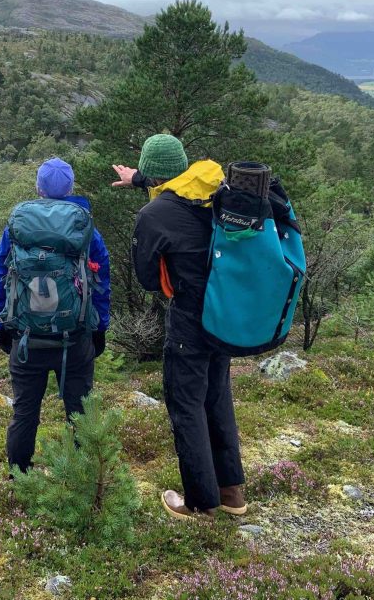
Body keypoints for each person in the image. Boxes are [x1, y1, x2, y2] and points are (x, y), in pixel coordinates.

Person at [111, 134, 246, 520]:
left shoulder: (155, 216)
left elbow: (149, 280)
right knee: (217, 397)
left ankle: (199, 501)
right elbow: (173, 186)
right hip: (224, 316)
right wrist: (140, 180)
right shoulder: (216, 190)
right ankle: (232, 493)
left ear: (153, 174)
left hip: (189, 320)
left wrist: (146, 190)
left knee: (186, 406)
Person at [0, 157, 111, 472]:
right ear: (71, 187)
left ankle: (20, 476)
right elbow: (101, 282)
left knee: (24, 412)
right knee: (79, 411)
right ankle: (82, 478)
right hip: (74, 339)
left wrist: (2, 324)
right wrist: (99, 329)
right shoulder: (84, 225)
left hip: (26, 339)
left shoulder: (18, 225)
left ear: (38, 188)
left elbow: (2, 275)